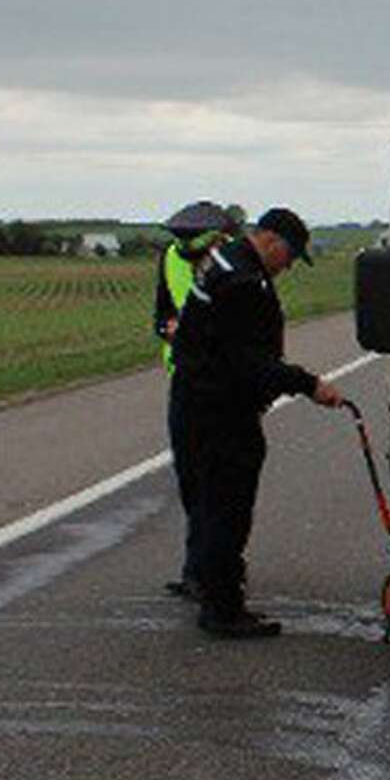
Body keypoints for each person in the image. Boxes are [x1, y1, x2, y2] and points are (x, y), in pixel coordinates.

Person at [170, 207, 343, 638]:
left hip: (201, 403)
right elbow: (250, 363)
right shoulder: (242, 282)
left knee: (214, 505)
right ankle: (223, 609)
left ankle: (215, 590)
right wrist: (309, 384)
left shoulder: (227, 261)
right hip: (220, 411)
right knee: (227, 508)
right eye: (288, 255)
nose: (287, 267)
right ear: (270, 240)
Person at [154, 201, 242, 601]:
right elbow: (160, 313)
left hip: (223, 388)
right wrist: (168, 329)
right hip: (184, 384)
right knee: (192, 484)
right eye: (182, 238)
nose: (186, 246)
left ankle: (215, 573)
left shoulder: (235, 265)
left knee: (219, 487)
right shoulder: (170, 259)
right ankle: (199, 569)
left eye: (195, 238)